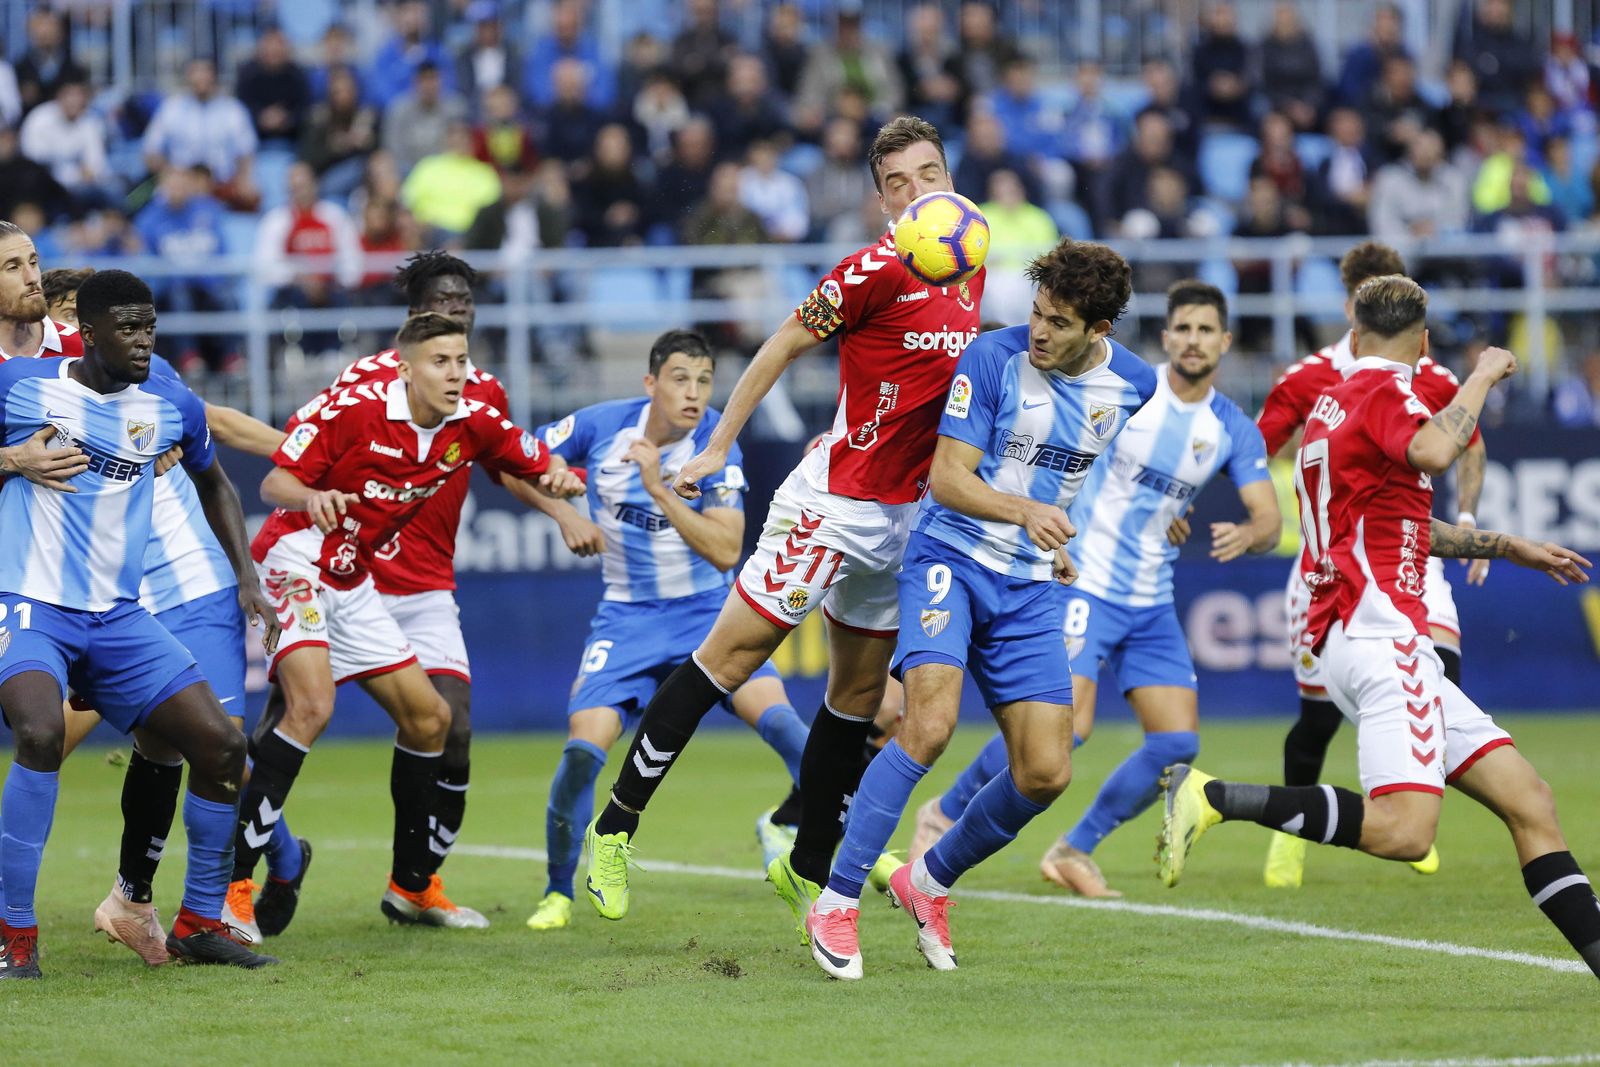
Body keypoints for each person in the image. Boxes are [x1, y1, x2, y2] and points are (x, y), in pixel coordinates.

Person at [581, 116, 984, 926]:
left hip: (905, 517)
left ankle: (805, 864)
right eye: (899, 184)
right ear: (882, 201)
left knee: (860, 694)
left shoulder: (970, 256)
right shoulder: (870, 269)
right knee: (727, 659)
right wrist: (712, 446)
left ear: (950, 176)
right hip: (832, 505)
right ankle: (615, 828)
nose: (918, 193)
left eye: (928, 174)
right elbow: (777, 347)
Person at [1158, 274, 1600, 982]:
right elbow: (1432, 453)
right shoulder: (1388, 394)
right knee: (1404, 831)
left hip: (1355, 631)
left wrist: (1505, 545)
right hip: (1384, 633)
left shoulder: (1331, 405)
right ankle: (1211, 797)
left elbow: (1395, 524)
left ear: (1353, 331)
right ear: (1422, 342)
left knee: (1531, 801)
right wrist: (1484, 372)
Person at [806, 240, 1155, 980]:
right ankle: (836, 899)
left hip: (1029, 583)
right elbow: (951, 477)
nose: (1038, 331)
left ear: (1101, 330)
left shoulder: (1135, 383)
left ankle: (927, 881)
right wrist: (1028, 511)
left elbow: (1069, 462)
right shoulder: (992, 359)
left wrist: (1053, 531)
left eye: (1058, 323)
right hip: (950, 557)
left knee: (1046, 769)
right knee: (926, 724)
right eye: (1035, 313)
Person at [224, 252, 557, 938]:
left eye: (463, 358)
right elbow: (277, 481)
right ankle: (230, 891)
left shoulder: (476, 415)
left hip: (353, 579)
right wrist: (316, 493)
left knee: (433, 719)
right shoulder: (355, 403)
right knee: (310, 706)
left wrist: (570, 486)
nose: (458, 371)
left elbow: (535, 458)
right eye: (443, 360)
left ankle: (412, 887)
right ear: (408, 361)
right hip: (297, 561)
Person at [909, 280, 1277, 899]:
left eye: (1205, 330)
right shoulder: (1129, 390)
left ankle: (1074, 848)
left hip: (1152, 594)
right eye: (1182, 328)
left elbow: (1268, 518)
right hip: (1086, 578)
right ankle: (944, 813)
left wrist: (1249, 535)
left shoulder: (1232, 428)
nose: (1192, 341)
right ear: (1165, 338)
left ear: (1225, 341)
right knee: (1066, 730)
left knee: (1176, 741)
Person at [0, 267, 281, 978]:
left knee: (222, 745)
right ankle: (14, 934)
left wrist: (246, 576)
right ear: (87, 332)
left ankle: (199, 921)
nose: (144, 341)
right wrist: (10, 458)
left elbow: (212, 476)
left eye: (150, 326)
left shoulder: (167, 399)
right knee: (39, 732)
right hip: (31, 602)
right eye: (128, 327)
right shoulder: (22, 385)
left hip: (118, 617)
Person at [523, 329, 812, 932]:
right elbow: (514, 459)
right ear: (650, 383)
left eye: (705, 381)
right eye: (681, 379)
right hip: (627, 616)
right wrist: (560, 500)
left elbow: (726, 547)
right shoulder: (602, 424)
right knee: (583, 752)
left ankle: (800, 833)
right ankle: (558, 891)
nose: (694, 393)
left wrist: (658, 487)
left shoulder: (715, 441)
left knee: (786, 724)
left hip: (711, 614)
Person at [1256, 241, 1488, 889]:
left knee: (1441, 684)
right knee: (1317, 718)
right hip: (1328, 571)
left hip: (1412, 561)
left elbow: (1469, 444)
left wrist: (1467, 520)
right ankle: (1292, 836)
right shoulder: (1311, 377)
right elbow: (1256, 446)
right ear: (1352, 301)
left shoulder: (1433, 375)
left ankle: (1412, 813)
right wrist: (1262, 511)